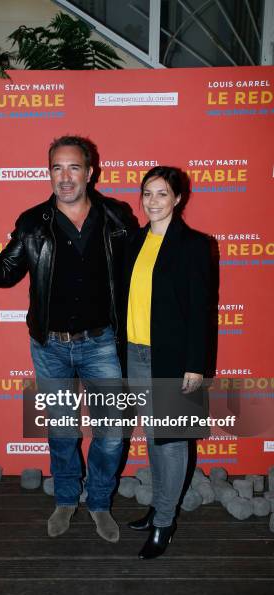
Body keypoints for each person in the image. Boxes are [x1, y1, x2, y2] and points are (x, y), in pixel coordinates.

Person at [0, 135, 137, 543]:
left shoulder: (118, 219)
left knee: (113, 432)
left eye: (73, 168)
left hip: (102, 343)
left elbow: (141, 275)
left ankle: (99, 502)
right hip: (50, 347)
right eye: (56, 168)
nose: (65, 178)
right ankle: (67, 497)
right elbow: (4, 274)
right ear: (48, 172)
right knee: (62, 430)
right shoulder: (33, 222)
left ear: (90, 172)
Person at [120, 166, 211, 559]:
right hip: (135, 355)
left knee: (172, 443)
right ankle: (159, 507)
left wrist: (196, 364)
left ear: (177, 199)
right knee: (154, 441)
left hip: (174, 359)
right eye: (147, 193)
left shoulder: (195, 245)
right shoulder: (133, 242)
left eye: (161, 194)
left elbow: (203, 311)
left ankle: (164, 524)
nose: (153, 201)